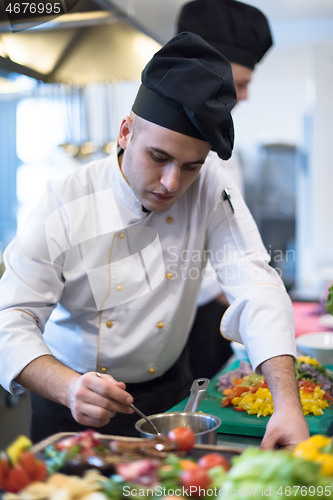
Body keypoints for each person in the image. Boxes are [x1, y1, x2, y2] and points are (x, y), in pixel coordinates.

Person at [0, 32, 308, 449]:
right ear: (126, 132)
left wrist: (286, 403)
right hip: (72, 406)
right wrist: (69, 387)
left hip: (171, 398)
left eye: (190, 167)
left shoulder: (209, 188)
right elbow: (10, 318)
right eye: (159, 158)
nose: (171, 183)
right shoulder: (66, 201)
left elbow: (256, 283)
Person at [177, 0, 274, 379]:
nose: (246, 96)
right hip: (189, 322)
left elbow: (232, 238)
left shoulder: (221, 142)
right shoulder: (159, 141)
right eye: (243, 83)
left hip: (220, 309)